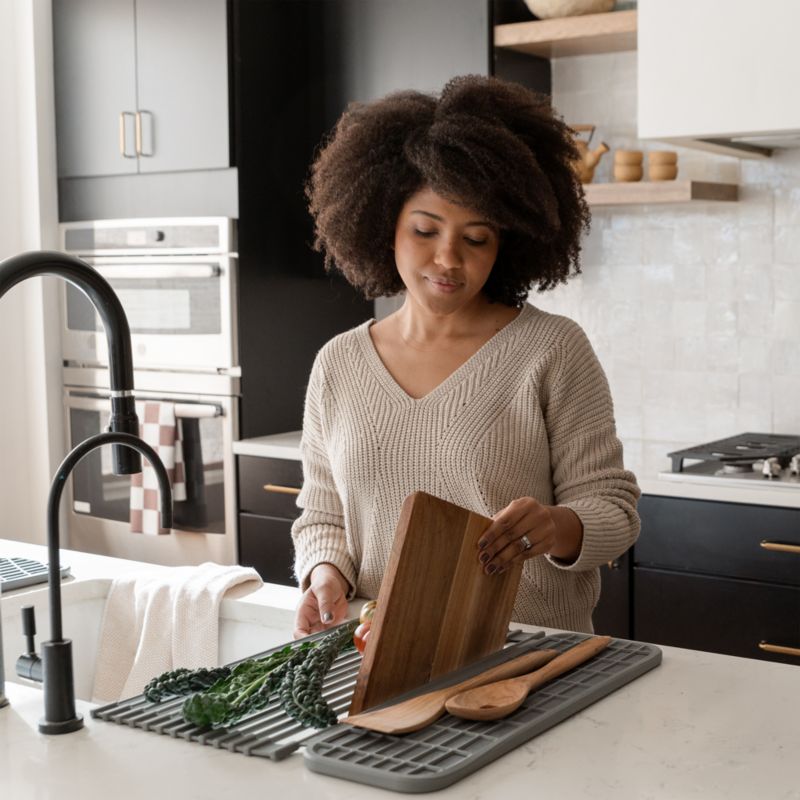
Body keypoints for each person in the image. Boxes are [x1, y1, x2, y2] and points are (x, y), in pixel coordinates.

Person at [291, 74, 640, 639]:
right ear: (385, 226)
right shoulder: (339, 363)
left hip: (527, 660)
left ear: (507, 246)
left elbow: (614, 510)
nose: (448, 258)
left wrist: (554, 526)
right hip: (382, 655)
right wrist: (324, 573)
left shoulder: (551, 350)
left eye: (476, 239)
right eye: (426, 230)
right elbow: (324, 514)